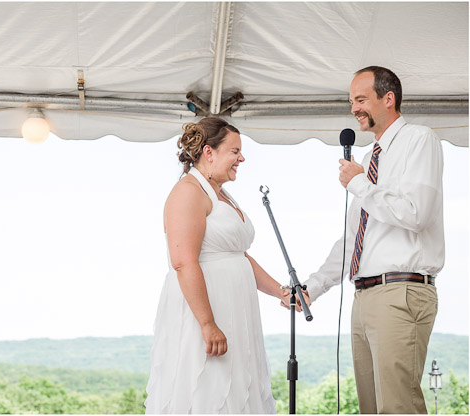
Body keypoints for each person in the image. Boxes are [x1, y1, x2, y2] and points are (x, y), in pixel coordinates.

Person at [302, 66, 443, 414]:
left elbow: (416, 213)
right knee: (370, 408)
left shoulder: (419, 140)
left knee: (398, 407)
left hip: (401, 292)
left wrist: (360, 185)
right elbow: (355, 238)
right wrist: (314, 287)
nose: (354, 108)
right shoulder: (368, 159)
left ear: (388, 99)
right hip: (363, 296)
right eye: (352, 101)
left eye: (361, 99)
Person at [145, 117, 307, 413]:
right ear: (209, 152)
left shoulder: (222, 194)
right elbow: (183, 262)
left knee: (237, 389)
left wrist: (282, 292)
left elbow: (239, 255)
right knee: (208, 388)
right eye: (234, 151)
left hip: (236, 313)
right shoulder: (188, 192)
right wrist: (207, 324)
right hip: (205, 313)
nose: (241, 158)